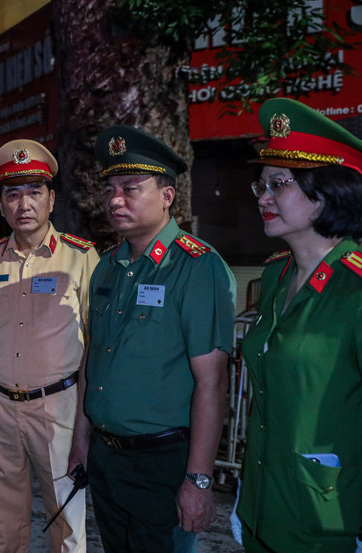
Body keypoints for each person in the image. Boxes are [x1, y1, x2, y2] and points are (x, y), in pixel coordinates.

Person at [73, 125, 236, 553]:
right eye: (110, 188)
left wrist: (198, 479)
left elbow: (212, 382)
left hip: (163, 462)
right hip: (107, 457)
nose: (114, 200)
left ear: (166, 196)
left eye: (130, 188)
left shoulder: (198, 267)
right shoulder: (107, 265)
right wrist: (81, 441)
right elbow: (94, 358)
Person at [235, 98, 362, 553]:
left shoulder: (356, 288)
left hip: (329, 519)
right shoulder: (276, 275)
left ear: (326, 191)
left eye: (279, 184)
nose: (263, 197)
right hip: (262, 507)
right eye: (261, 185)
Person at [0, 139, 98, 553]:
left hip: (57, 405)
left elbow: (93, 345)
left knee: (66, 519)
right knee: (8, 515)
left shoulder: (82, 258)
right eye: (13, 194)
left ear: (51, 199)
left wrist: (84, 427)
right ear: (1, 205)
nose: (24, 203)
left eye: (34, 192)